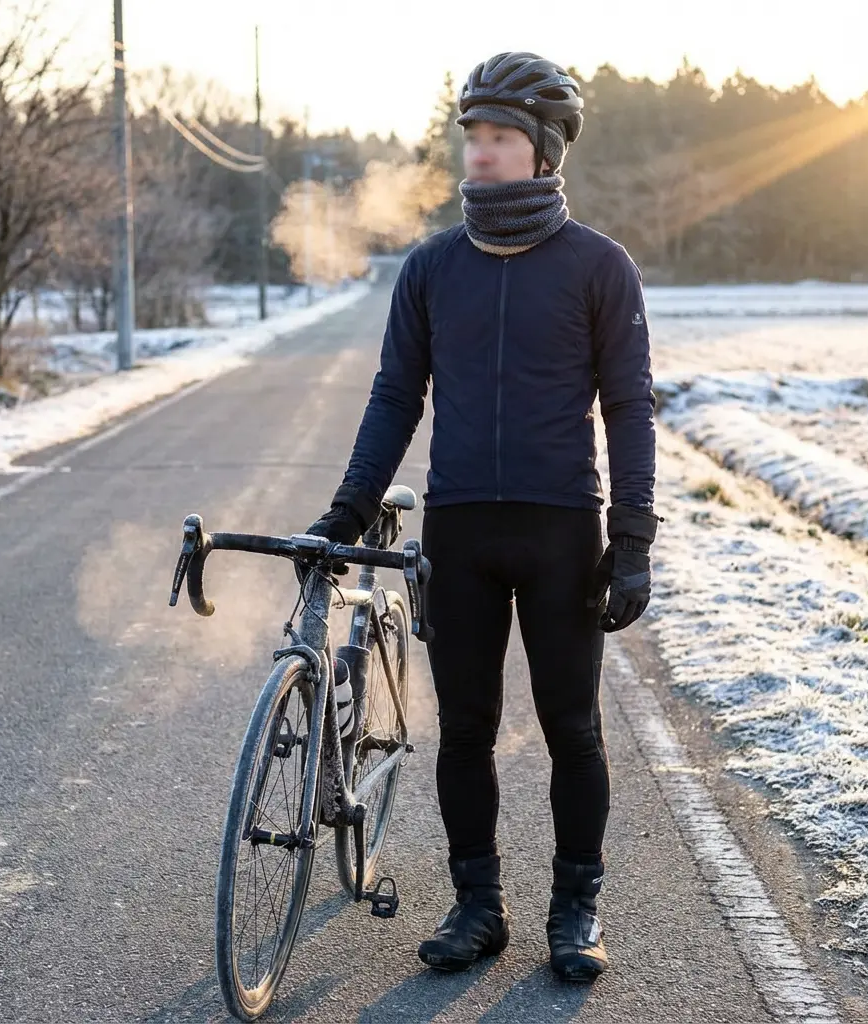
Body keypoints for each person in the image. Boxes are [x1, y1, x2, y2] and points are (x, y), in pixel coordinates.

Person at [303, 51, 659, 982]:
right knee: (463, 729)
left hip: (559, 532)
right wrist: (348, 506)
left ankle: (575, 910)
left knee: (572, 730)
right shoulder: (431, 268)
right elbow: (393, 399)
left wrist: (632, 541)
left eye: (502, 138)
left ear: (543, 154)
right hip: (459, 529)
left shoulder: (598, 267)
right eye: (474, 137)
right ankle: (477, 907)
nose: (482, 153)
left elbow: (629, 406)